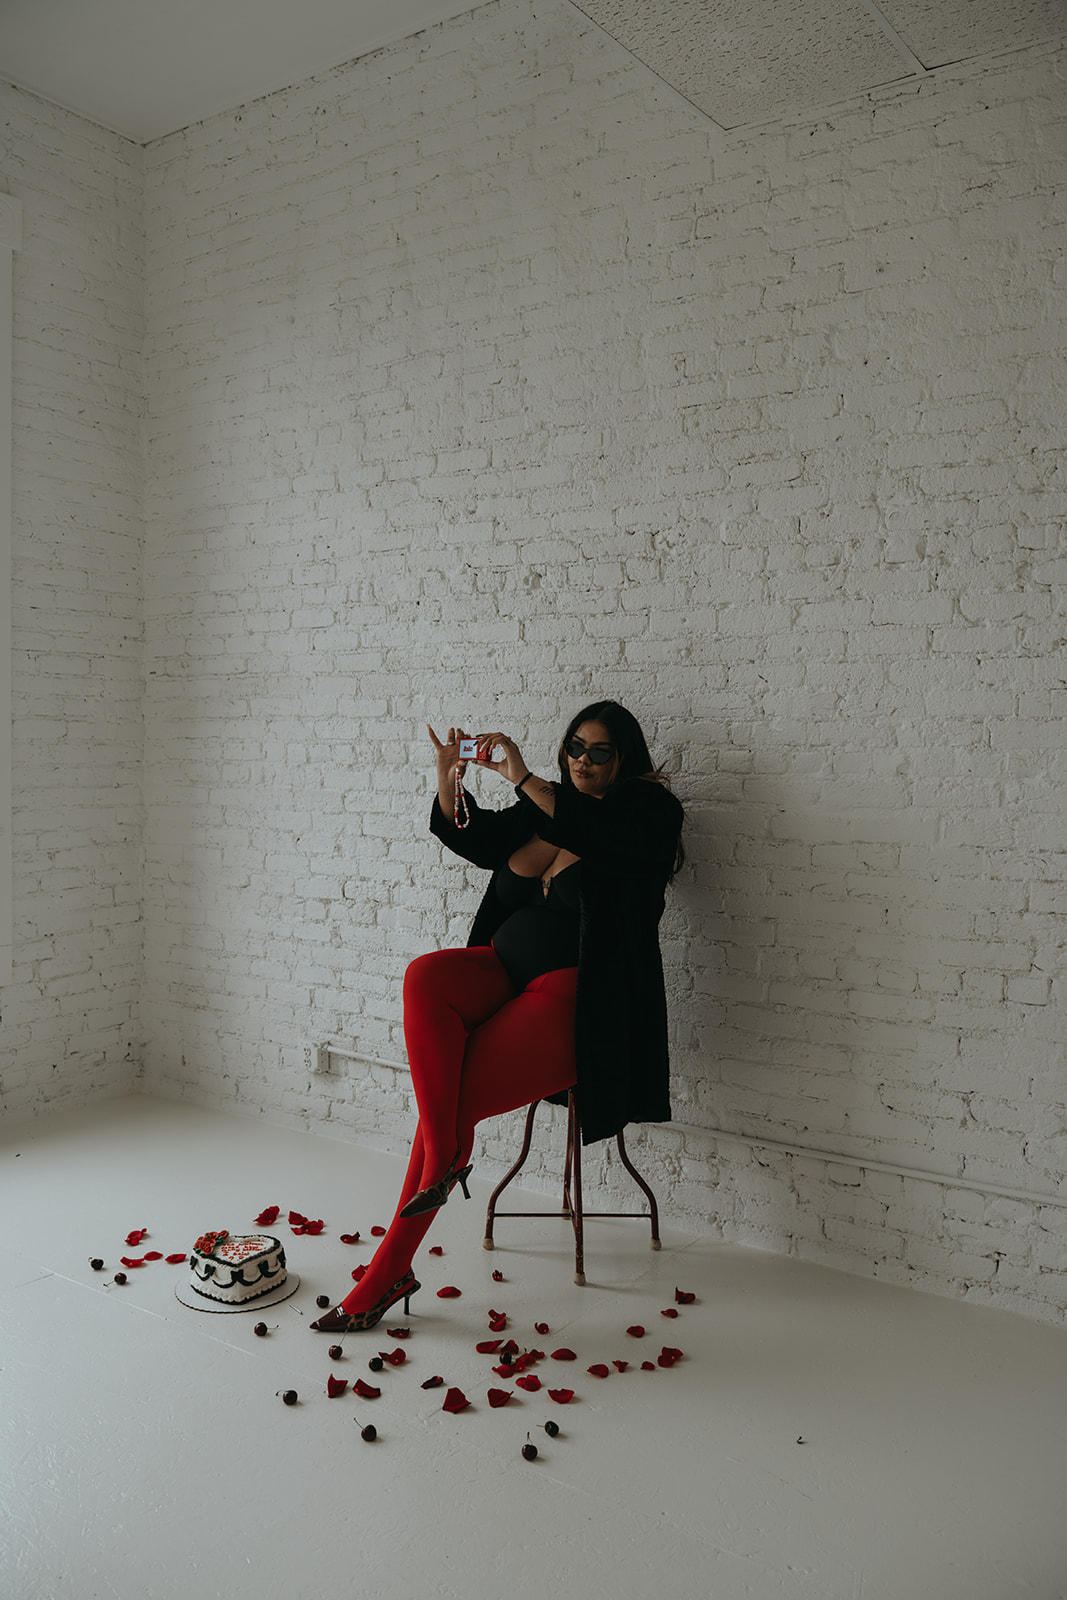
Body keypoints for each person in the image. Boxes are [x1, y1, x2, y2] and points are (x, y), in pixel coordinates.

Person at [310, 700, 684, 1334]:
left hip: (575, 999)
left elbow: (598, 838)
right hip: (503, 977)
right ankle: (449, 1154)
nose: (582, 762)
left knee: (451, 1110)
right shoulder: (542, 811)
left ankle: (389, 1271)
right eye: (574, 748)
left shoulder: (646, 815)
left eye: (599, 753)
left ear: (626, 761)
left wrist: (520, 775)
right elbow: (472, 837)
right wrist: (447, 777)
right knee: (426, 973)